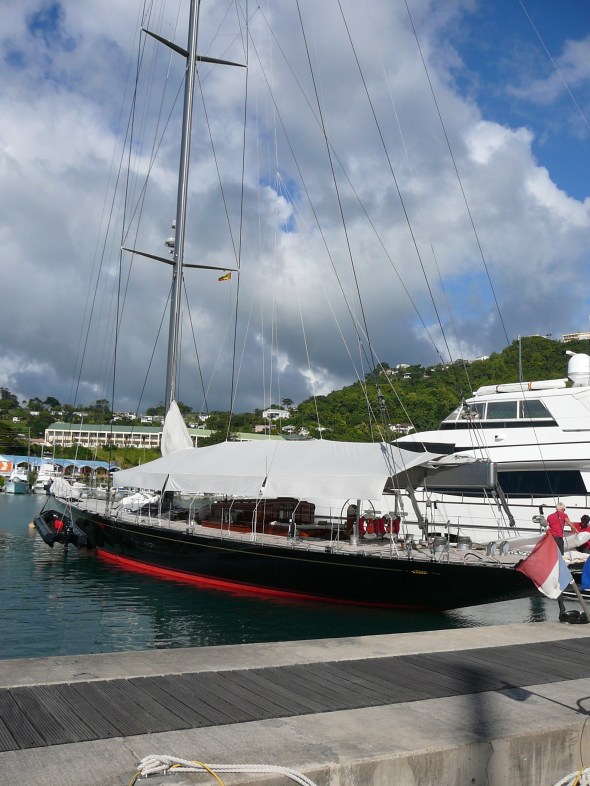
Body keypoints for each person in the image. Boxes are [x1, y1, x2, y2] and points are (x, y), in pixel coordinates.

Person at [546, 503, 573, 619]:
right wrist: (575, 530)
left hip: (551, 538)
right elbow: (569, 523)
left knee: (554, 556)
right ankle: (559, 567)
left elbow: (548, 527)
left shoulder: (550, 516)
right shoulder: (564, 515)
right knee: (560, 558)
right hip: (559, 539)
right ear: (562, 509)